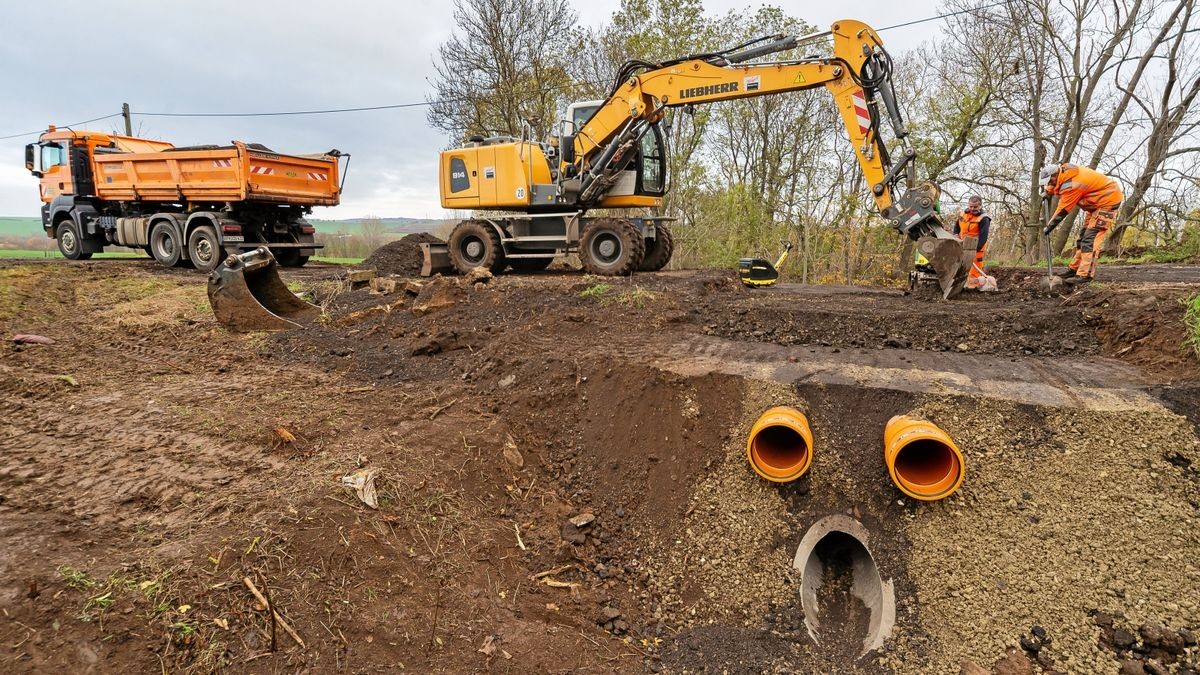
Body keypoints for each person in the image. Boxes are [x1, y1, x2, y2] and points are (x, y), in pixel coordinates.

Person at [1040, 162, 1123, 285]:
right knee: (1083, 238)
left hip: (1107, 202)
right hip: (1095, 204)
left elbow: (1063, 209)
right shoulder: (1063, 172)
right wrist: (1048, 192)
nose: (1048, 184)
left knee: (1090, 239)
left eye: (1049, 181)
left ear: (1054, 175)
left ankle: (1086, 275)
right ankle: (1074, 270)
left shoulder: (1072, 185)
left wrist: (1049, 226)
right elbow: (1056, 183)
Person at [954, 195, 991, 289]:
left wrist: (975, 249)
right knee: (959, 265)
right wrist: (955, 235)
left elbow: (983, 237)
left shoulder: (984, 219)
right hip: (962, 244)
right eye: (970, 206)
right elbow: (957, 226)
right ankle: (960, 285)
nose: (972, 209)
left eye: (975, 207)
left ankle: (973, 287)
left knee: (974, 268)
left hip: (977, 247)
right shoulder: (962, 214)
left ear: (980, 206)